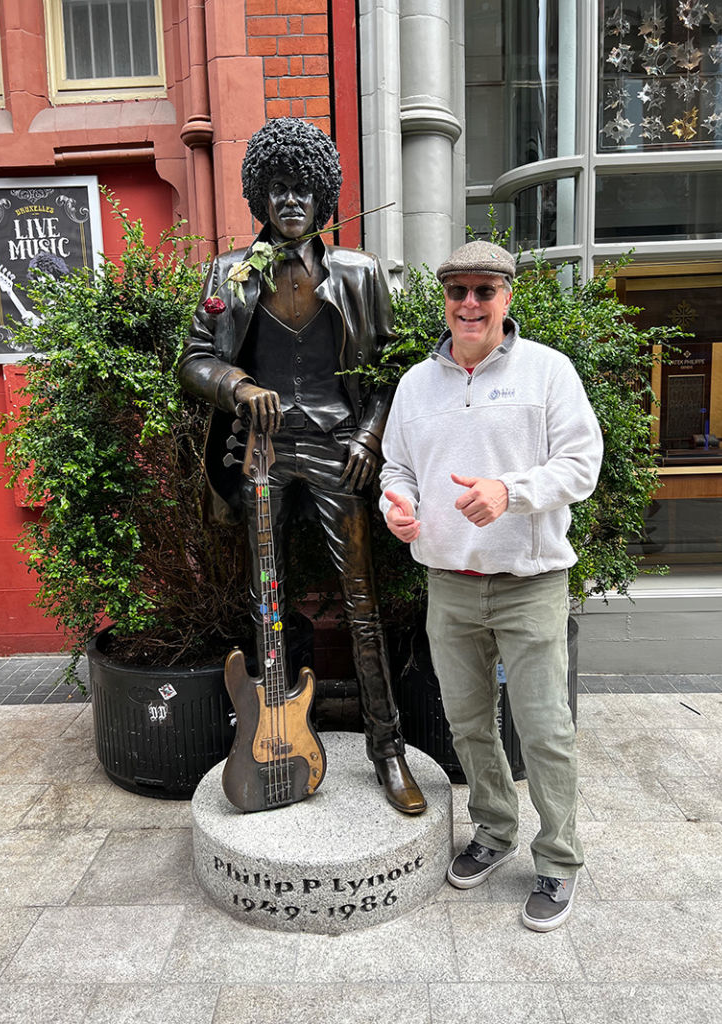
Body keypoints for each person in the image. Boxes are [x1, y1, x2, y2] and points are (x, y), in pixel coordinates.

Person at [178, 117, 426, 815]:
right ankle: (277, 738)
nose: (290, 202)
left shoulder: (360, 273)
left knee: (361, 602)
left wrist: (371, 438)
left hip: (337, 451)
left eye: (303, 190)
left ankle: (388, 751)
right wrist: (238, 385)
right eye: (277, 190)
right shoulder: (228, 274)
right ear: (259, 197)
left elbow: (390, 369)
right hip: (260, 452)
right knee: (268, 603)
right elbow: (194, 359)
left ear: (324, 198)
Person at [379, 240, 603, 929]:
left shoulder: (547, 372)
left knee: (544, 732)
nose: (470, 304)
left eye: (484, 290)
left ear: (508, 298)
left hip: (530, 583)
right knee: (470, 728)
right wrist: (399, 507)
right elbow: (396, 468)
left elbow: (582, 464)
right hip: (449, 583)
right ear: (444, 301)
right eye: (458, 292)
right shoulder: (417, 385)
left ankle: (559, 861)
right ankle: (494, 831)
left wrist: (510, 491)